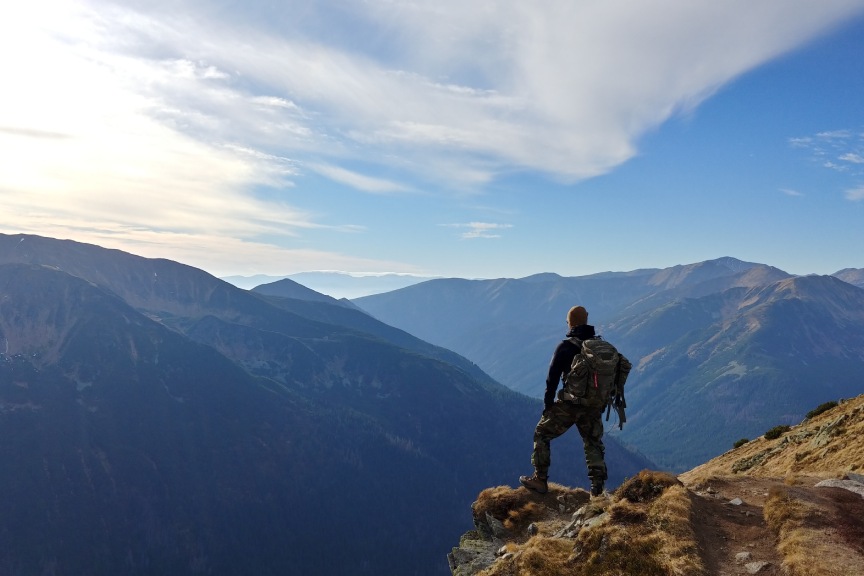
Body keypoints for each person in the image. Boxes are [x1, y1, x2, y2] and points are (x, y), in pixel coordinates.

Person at [519, 305, 630, 497]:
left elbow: (552, 378)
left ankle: (540, 479)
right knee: (593, 443)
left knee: (542, 434)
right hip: (594, 406)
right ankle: (597, 490)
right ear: (586, 321)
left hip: (569, 405)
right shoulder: (601, 347)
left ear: (570, 322)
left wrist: (548, 406)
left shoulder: (566, 346)